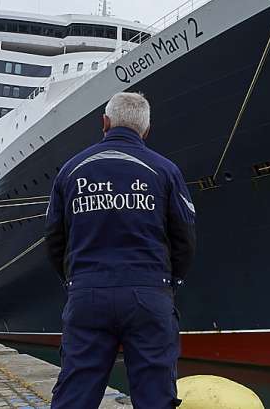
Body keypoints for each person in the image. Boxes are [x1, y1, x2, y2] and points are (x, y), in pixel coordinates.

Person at [45, 92, 197, 408]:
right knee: (155, 394)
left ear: (104, 122)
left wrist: (75, 282)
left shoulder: (71, 170)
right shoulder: (165, 170)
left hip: (86, 292)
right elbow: (184, 236)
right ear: (146, 130)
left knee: (75, 391)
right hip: (149, 292)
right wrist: (170, 283)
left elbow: (54, 238)